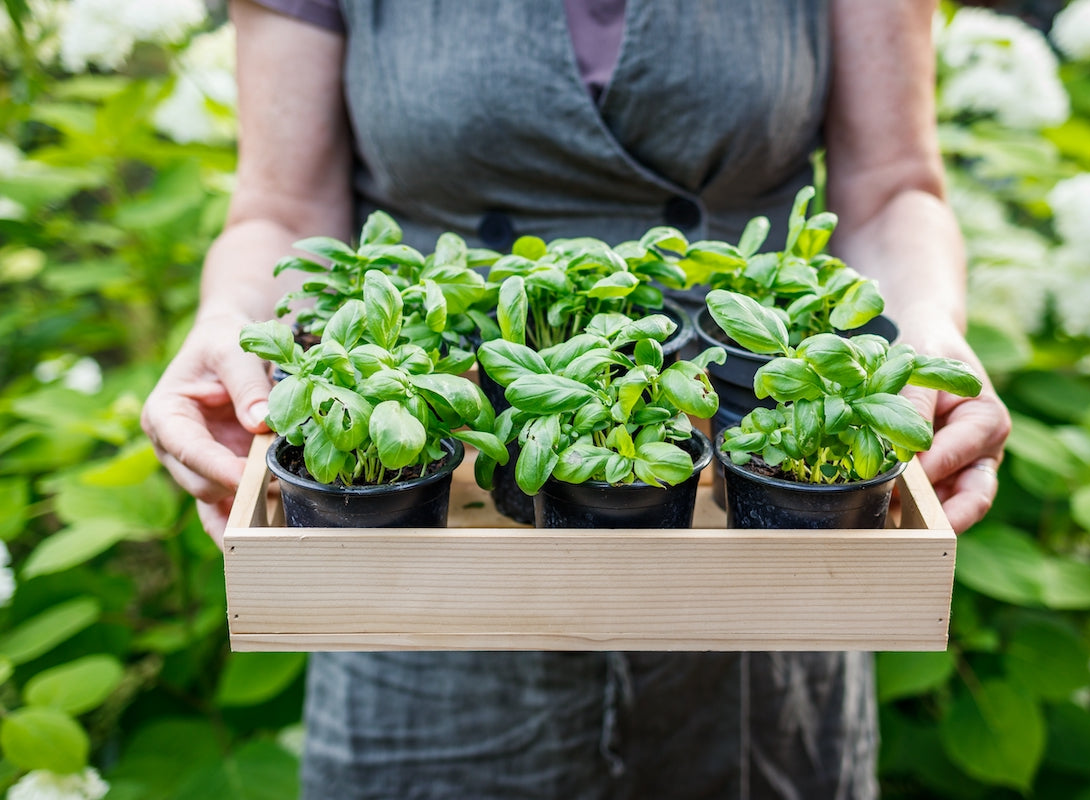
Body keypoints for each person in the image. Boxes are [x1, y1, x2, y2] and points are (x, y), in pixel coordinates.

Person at [142, 1, 1012, 797]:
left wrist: (928, 329)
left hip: (762, 592)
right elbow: (283, 204)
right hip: (419, 599)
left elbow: (893, 185)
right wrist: (231, 323)